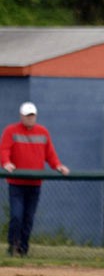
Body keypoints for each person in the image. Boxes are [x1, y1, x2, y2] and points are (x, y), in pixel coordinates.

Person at [1, 102, 70, 257]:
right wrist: (6, 163)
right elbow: (4, 150)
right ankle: (12, 245)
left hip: (35, 184)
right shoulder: (11, 131)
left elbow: (50, 154)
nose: (30, 119)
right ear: (21, 116)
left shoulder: (43, 132)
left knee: (28, 219)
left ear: (35, 116)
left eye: (32, 116)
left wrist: (58, 166)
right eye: (27, 116)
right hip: (16, 183)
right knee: (16, 216)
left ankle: (23, 249)